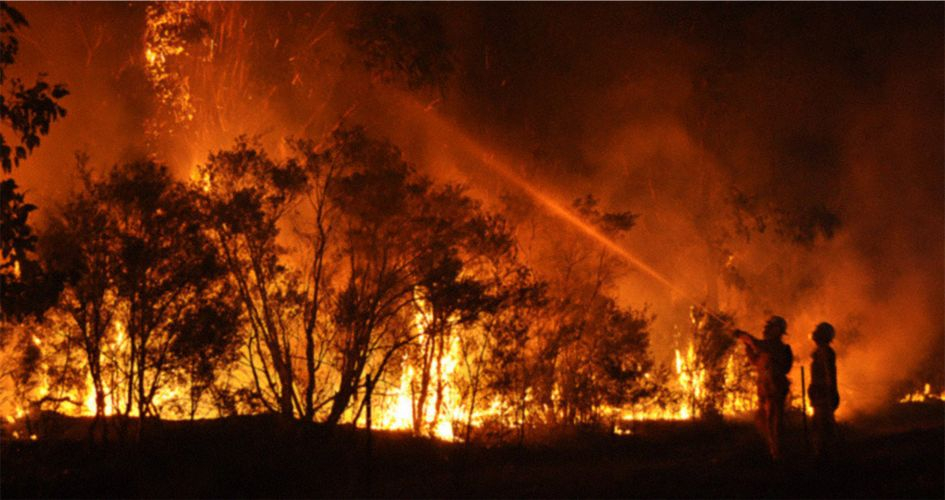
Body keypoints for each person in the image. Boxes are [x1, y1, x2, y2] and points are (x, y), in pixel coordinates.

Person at [733, 315, 794, 460]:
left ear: (778, 330)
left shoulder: (776, 346)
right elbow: (755, 361)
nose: (765, 329)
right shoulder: (767, 347)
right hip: (765, 388)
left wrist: (742, 335)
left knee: (774, 420)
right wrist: (747, 346)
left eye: (769, 327)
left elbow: (757, 344)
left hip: (775, 388)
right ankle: (772, 450)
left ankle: (778, 453)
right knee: (764, 420)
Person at [807, 322, 839, 458]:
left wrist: (831, 392)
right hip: (818, 392)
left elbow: (829, 374)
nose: (814, 335)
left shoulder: (826, 352)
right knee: (818, 424)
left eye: (818, 332)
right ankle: (822, 453)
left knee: (823, 425)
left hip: (823, 393)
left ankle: (825, 455)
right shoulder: (819, 351)